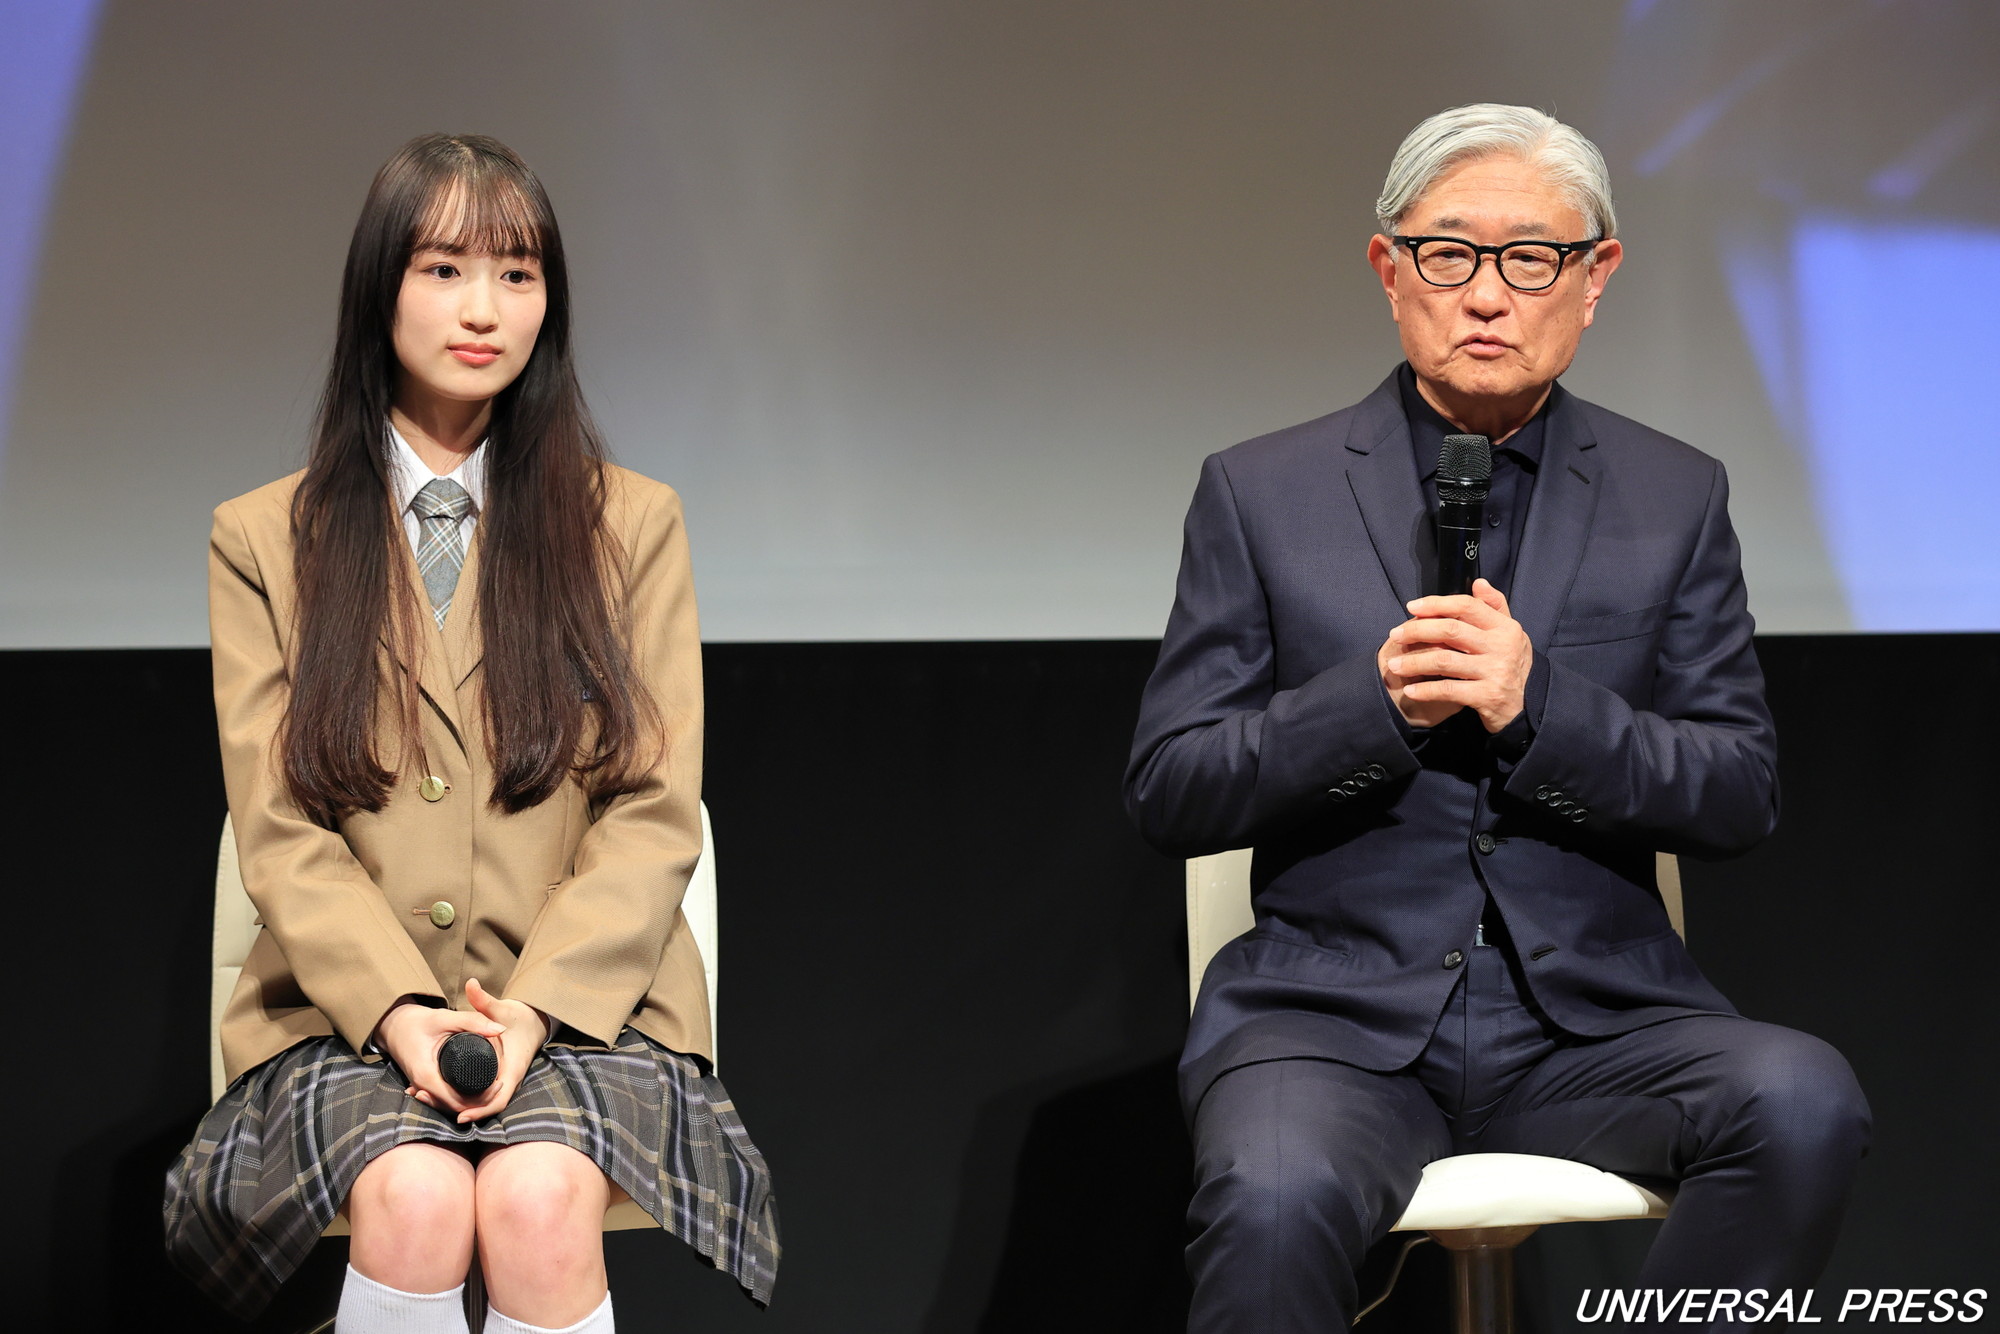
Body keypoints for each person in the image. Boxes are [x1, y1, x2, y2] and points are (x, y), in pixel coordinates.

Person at [1124, 104, 1870, 1332]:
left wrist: (1541, 709)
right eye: (1446, 254)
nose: (1484, 294)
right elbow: (1172, 784)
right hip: (1330, 1025)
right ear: (1388, 270)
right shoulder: (1261, 491)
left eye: (1528, 258)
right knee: (1270, 1192)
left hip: (1596, 1026)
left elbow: (1735, 789)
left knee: (1800, 1098)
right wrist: (1370, 704)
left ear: (1593, 277)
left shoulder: (1673, 494)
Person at [164, 134, 778, 1334]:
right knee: (416, 1193)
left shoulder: (629, 525)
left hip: (589, 1013)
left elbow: (654, 809)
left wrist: (532, 1009)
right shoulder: (264, 539)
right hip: (344, 1020)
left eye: (517, 273)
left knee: (538, 1199)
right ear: (379, 287)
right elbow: (278, 828)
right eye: (444, 269)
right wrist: (402, 1013)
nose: (484, 308)